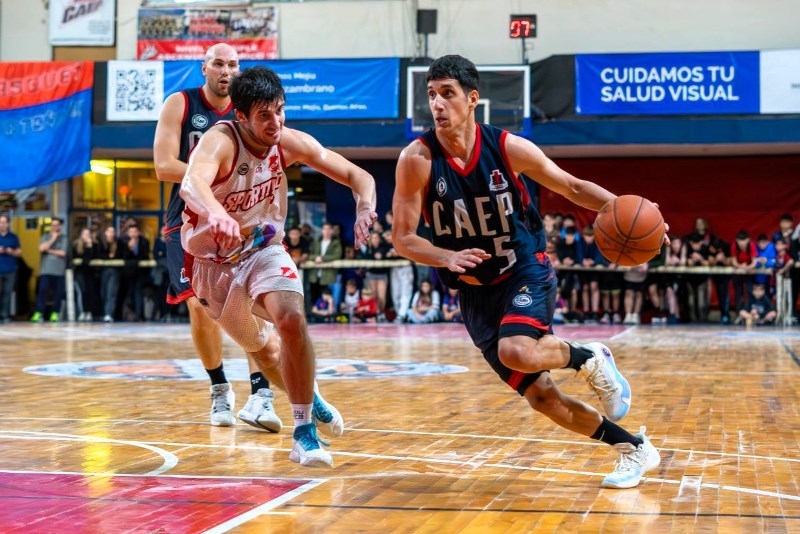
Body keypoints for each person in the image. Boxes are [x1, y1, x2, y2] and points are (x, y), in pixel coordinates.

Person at [392, 55, 663, 489]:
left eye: (447, 94)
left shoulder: (508, 147)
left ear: (473, 99)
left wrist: (637, 212)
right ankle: (635, 449)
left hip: (524, 269)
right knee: (542, 398)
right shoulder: (417, 159)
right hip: (475, 293)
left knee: (516, 350)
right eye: (431, 95)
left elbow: (572, 188)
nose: (437, 104)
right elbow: (403, 237)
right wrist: (444, 257)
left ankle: (588, 356)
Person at [179, 65, 377, 467]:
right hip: (212, 265)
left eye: (280, 111)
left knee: (289, 319)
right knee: (266, 352)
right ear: (241, 116)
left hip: (262, 249)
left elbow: (358, 175)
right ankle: (311, 394)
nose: (276, 122)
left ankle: (303, 432)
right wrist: (216, 213)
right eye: (264, 115)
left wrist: (365, 206)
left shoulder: (286, 142)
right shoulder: (220, 141)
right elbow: (191, 184)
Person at [154, 43, 282, 430]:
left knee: (256, 300)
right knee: (201, 306)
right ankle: (219, 389)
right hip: (189, 218)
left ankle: (261, 394)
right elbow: (163, 166)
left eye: (234, 64)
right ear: (204, 67)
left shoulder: (251, 110)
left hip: (244, 213)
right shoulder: (180, 103)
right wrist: (211, 178)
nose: (227, 70)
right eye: (219, 63)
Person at [31, 218, 68, 323]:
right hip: (46, 270)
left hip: (59, 271)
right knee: (42, 291)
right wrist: (52, 239)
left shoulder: (64, 238)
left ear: (60, 226)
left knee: (58, 293)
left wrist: (49, 250)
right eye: (53, 225)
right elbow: (41, 248)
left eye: (57, 225)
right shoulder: (45, 237)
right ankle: (39, 312)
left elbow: (63, 253)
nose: (54, 227)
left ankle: (55, 313)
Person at [72, 227, 98, 322]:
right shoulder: (76, 245)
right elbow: (82, 259)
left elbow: (93, 258)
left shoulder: (94, 245)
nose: (87, 236)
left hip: (91, 273)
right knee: (82, 292)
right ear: (81, 235)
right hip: (80, 272)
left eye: (88, 234)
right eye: (85, 234)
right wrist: (86, 249)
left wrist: (90, 246)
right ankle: (82, 312)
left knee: (90, 292)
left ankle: (89, 312)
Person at [0, 214, 22, 323]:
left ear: (8, 224)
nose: (2, 225)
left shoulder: (13, 237)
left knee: (7, 293)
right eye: (0, 222)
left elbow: (19, 252)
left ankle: (5, 316)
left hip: (10, 269)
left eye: (4, 222)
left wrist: (11, 251)